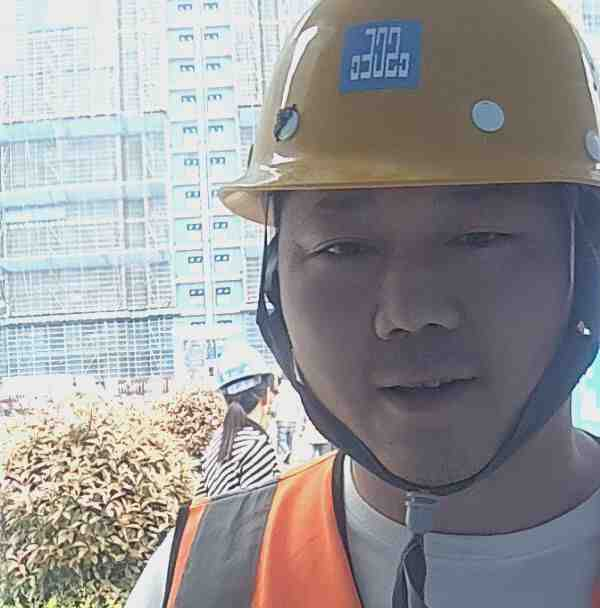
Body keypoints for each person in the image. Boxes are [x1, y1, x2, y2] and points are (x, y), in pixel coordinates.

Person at [126, 1, 600, 606]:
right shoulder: (202, 581)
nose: (409, 312)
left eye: (479, 238)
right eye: (343, 248)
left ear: (584, 260)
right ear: (276, 282)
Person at [197, 341, 280, 497]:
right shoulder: (256, 445)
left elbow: (201, 499)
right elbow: (261, 509)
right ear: (267, 395)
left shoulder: (216, 441)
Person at [272, 377, 305, 463]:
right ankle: (289, 458)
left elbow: (273, 409)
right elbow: (299, 408)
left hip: (281, 420)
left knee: (282, 440)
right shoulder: (294, 395)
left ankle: (287, 452)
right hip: (293, 420)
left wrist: (273, 413)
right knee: (290, 440)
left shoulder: (279, 395)